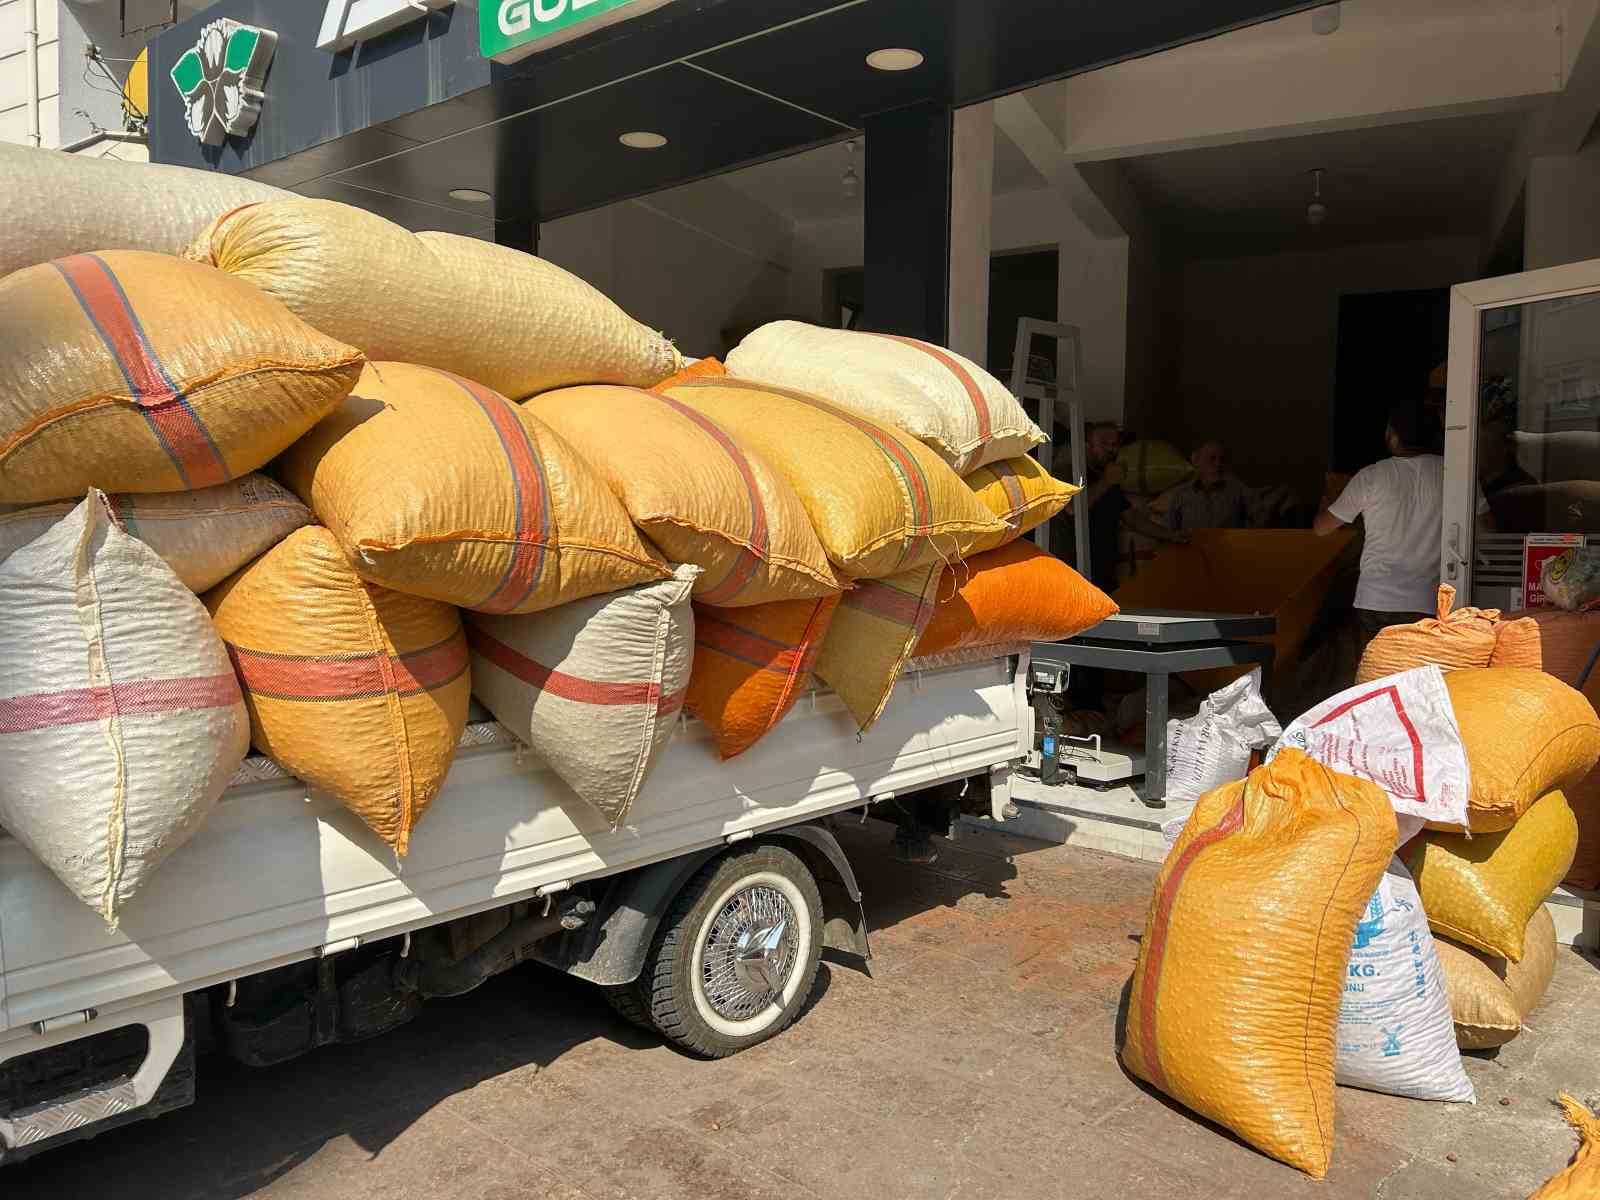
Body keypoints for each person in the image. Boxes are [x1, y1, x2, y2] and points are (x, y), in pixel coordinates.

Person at [1314, 402, 1444, 639]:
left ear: (1393, 436)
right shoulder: (1453, 474)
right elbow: (1485, 527)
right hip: (1429, 601)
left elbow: (1322, 528)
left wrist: (1326, 501)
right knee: (1421, 672)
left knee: (1377, 673)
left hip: (1377, 600)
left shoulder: (1371, 476)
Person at [1080, 421, 1188, 595]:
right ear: (1087, 446)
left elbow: (1132, 519)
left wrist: (1171, 535)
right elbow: (1071, 509)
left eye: (1114, 444)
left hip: (1104, 568)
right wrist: (1106, 482)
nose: (1110, 449)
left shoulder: (1111, 482)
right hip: (1076, 565)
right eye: (1104, 443)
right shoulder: (1076, 473)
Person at [1165, 441, 1250, 532]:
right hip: (1192, 545)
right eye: (1212, 459)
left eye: (1222, 460)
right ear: (1196, 461)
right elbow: (1169, 531)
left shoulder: (1238, 491)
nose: (1218, 464)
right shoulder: (1181, 494)